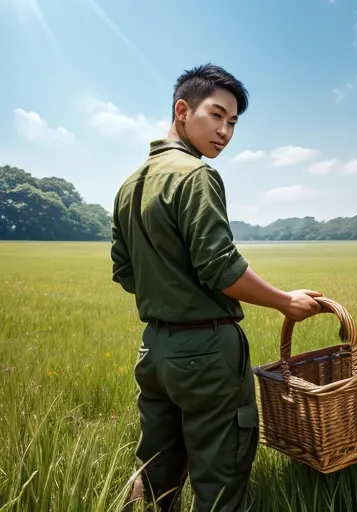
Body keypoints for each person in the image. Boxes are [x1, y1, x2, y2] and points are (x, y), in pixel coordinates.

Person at [111, 63, 323, 512]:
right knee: (220, 480)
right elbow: (221, 267)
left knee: (155, 473)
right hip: (207, 352)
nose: (225, 131)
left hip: (154, 350)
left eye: (233, 123)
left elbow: (125, 271)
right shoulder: (195, 175)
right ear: (183, 110)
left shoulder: (129, 185)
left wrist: (170, 294)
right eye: (217, 115)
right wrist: (286, 301)